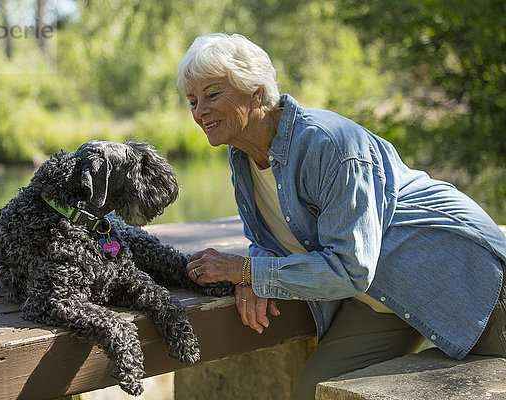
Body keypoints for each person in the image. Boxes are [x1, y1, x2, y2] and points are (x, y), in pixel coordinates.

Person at [176, 32, 506, 399]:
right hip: (379, 297)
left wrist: (249, 271)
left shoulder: (328, 144)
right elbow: (263, 240)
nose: (199, 110)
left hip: (457, 273)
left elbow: (351, 268)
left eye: (212, 94)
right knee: (313, 392)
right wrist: (253, 274)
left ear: (255, 91)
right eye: (192, 100)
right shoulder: (241, 156)